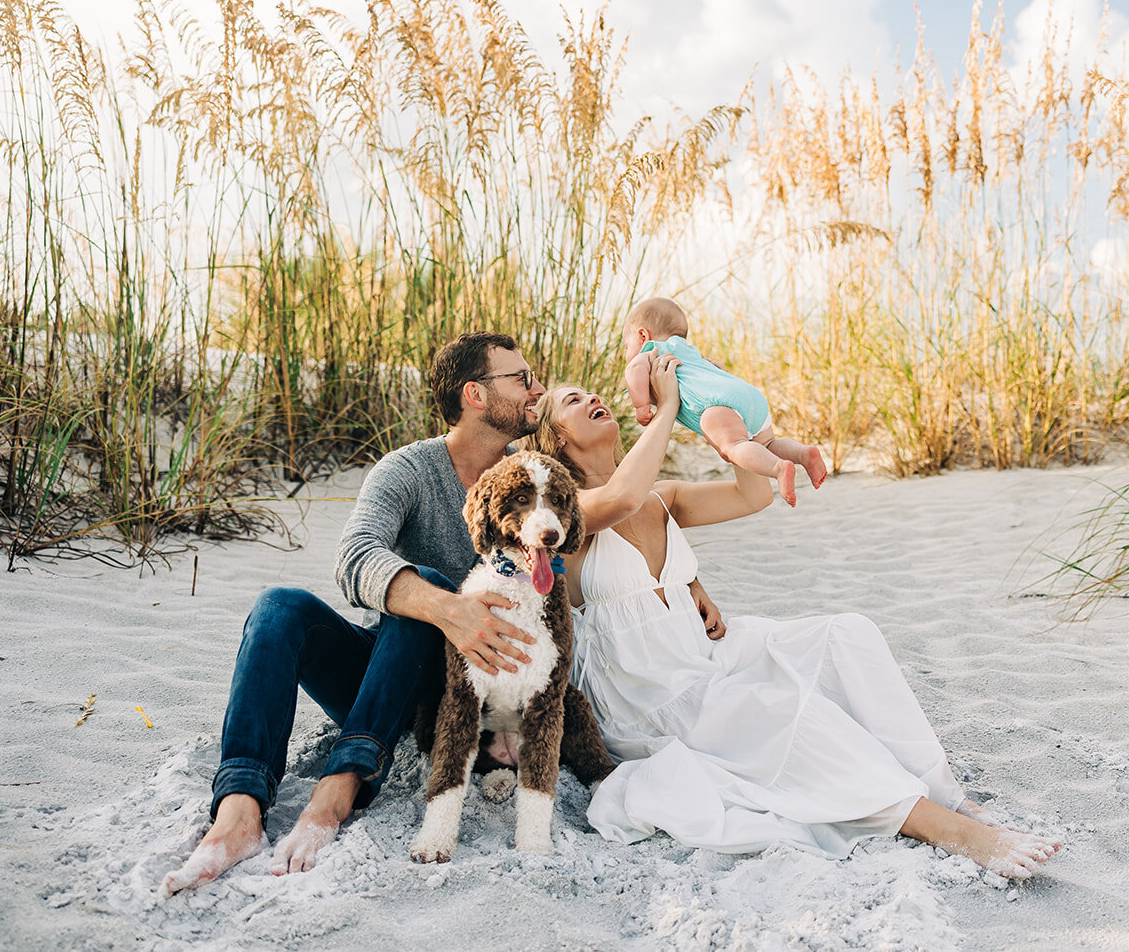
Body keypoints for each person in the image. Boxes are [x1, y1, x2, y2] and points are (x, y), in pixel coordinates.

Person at [159, 331, 659, 895]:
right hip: (385, 679)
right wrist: (449, 609)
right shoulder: (408, 470)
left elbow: (595, 531)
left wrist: (687, 586)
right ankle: (239, 814)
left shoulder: (535, 479)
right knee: (279, 609)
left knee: (429, 588)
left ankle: (338, 788)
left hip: (462, 700)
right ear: (475, 394)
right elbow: (353, 557)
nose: (535, 389)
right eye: (521, 379)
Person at [531, 379, 1062, 879]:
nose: (593, 396)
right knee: (780, 707)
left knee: (845, 635)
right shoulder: (567, 512)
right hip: (649, 689)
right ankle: (938, 824)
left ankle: (939, 789)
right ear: (556, 437)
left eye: (592, 392)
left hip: (705, 649)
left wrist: (727, 424)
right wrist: (666, 408)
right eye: (573, 400)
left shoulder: (662, 497)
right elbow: (620, 497)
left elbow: (752, 495)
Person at [622, 296, 827, 507]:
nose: (627, 355)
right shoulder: (690, 352)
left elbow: (634, 370)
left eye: (627, 346)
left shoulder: (652, 350)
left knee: (734, 447)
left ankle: (778, 468)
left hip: (716, 404)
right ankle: (803, 453)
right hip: (748, 395)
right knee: (767, 444)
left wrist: (641, 406)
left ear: (642, 335)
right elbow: (716, 366)